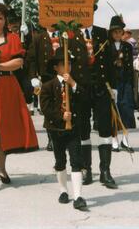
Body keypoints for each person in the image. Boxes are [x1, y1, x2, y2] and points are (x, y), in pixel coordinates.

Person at [0, 3, 39, 188]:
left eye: (0, 18)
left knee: (4, 126)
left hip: (6, 86)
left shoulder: (12, 38)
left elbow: (19, 62)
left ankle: (2, 168)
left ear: (5, 21)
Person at [68, 6, 117, 189]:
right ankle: (86, 169)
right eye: (83, 10)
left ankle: (105, 171)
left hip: (101, 88)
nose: (87, 14)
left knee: (105, 128)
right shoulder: (70, 35)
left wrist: (114, 87)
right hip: (80, 89)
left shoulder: (102, 33)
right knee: (83, 129)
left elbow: (110, 61)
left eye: (90, 10)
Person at [40, 47, 87, 210]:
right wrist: (61, 117)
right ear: (56, 67)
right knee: (60, 161)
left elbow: (85, 99)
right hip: (56, 129)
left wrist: (73, 83)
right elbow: (45, 108)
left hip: (73, 129)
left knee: (76, 160)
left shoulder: (74, 84)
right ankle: (63, 191)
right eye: (63, 64)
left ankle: (78, 196)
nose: (68, 67)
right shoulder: (48, 86)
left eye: (70, 64)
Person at [27, 26, 62, 151]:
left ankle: (63, 137)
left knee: (63, 106)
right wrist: (33, 76)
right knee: (49, 109)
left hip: (64, 76)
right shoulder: (38, 38)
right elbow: (31, 59)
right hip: (46, 78)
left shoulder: (65, 35)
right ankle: (51, 138)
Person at [108, 16, 135, 153]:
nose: (117, 35)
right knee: (113, 111)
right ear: (111, 33)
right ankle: (114, 141)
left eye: (120, 32)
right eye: (115, 32)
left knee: (126, 110)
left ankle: (125, 140)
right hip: (113, 84)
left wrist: (131, 85)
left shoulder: (127, 47)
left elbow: (130, 68)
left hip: (125, 83)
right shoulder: (107, 46)